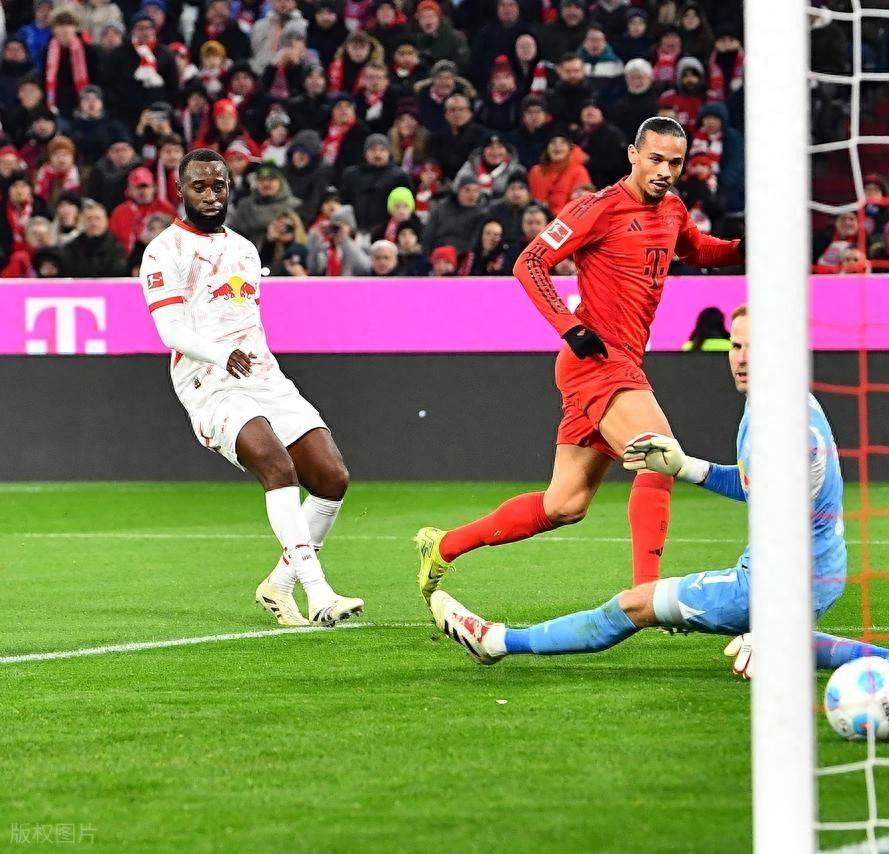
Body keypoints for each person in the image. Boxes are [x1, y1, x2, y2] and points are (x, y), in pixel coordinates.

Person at [429, 306, 889, 678]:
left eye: (756, 347)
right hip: (818, 572)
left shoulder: (787, 428)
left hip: (782, 580)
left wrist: (770, 617)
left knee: (632, 605)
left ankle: (495, 641)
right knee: (780, 637)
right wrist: (685, 467)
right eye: (736, 345)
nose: (742, 357)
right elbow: (756, 488)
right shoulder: (779, 402)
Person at [412, 116, 746, 601]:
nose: (665, 171)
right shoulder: (598, 207)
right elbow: (529, 262)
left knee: (564, 505)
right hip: (597, 361)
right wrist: (569, 327)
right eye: (655, 159)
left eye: (675, 163)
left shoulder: (673, 209)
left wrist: (744, 250)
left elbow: (697, 251)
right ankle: (647, 595)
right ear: (633, 155)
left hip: (620, 363)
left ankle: (444, 546)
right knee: (659, 457)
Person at [139, 149, 363, 627]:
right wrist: (220, 355)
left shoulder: (244, 248)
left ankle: (278, 585)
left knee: (332, 477)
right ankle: (319, 593)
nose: (211, 195)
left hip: (262, 375)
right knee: (277, 467)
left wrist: (249, 360)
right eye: (200, 186)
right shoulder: (163, 251)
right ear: (180, 191)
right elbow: (170, 331)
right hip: (208, 382)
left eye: (218, 186)